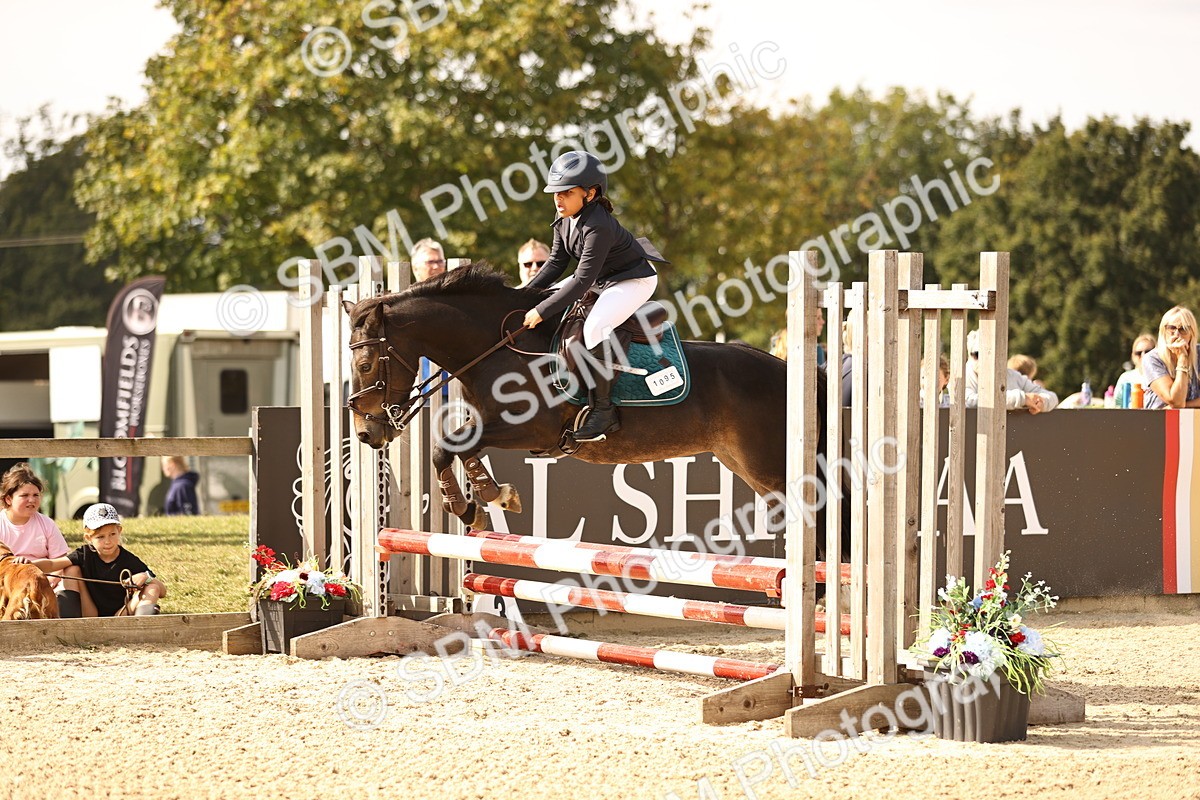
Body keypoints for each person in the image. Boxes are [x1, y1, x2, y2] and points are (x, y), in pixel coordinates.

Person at [522, 150, 667, 442]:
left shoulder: (597, 225)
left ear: (590, 193)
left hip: (632, 280)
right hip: (602, 279)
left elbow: (580, 281)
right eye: (556, 193)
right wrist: (524, 295)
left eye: (567, 192)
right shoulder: (564, 216)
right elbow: (556, 262)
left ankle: (604, 411)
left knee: (594, 327)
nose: (558, 199)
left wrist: (541, 309)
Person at [26, 503, 166, 617]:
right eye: (100, 537)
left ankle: (143, 625)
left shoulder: (129, 560)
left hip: (121, 614)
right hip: (90, 612)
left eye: (112, 534)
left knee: (153, 587)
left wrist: (145, 577)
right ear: (88, 538)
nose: (108, 541)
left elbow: (162, 591)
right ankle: (68, 622)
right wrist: (28, 564)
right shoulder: (85, 554)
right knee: (71, 569)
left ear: (120, 531)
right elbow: (52, 564)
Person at [0, 463, 69, 594]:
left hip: (44, 581)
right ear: (8, 499)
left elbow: (60, 560)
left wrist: (51, 580)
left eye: (36, 495)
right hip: (8, 583)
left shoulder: (46, 523)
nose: (31, 500)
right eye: (24, 495)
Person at [965, 329, 1058, 413]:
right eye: (977, 354)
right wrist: (1022, 399)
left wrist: (1041, 402)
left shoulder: (1012, 375)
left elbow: (1051, 397)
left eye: (989, 353)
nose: (983, 359)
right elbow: (969, 401)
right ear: (970, 354)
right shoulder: (963, 376)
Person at [1142, 306, 1200, 410]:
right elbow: (1176, 401)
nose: (1177, 334)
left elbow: (1178, 405)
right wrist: (1182, 358)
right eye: (1171, 328)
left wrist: (1186, 405)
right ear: (1163, 331)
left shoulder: (1198, 354)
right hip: (1160, 422)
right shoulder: (1152, 359)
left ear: (1192, 333)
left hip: (1194, 421)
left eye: (1184, 329)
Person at [1114, 332, 1157, 405]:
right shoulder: (1125, 378)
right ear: (1133, 356)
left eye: (1148, 352)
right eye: (1138, 353)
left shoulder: (1162, 377)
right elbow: (1117, 405)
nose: (1143, 355)